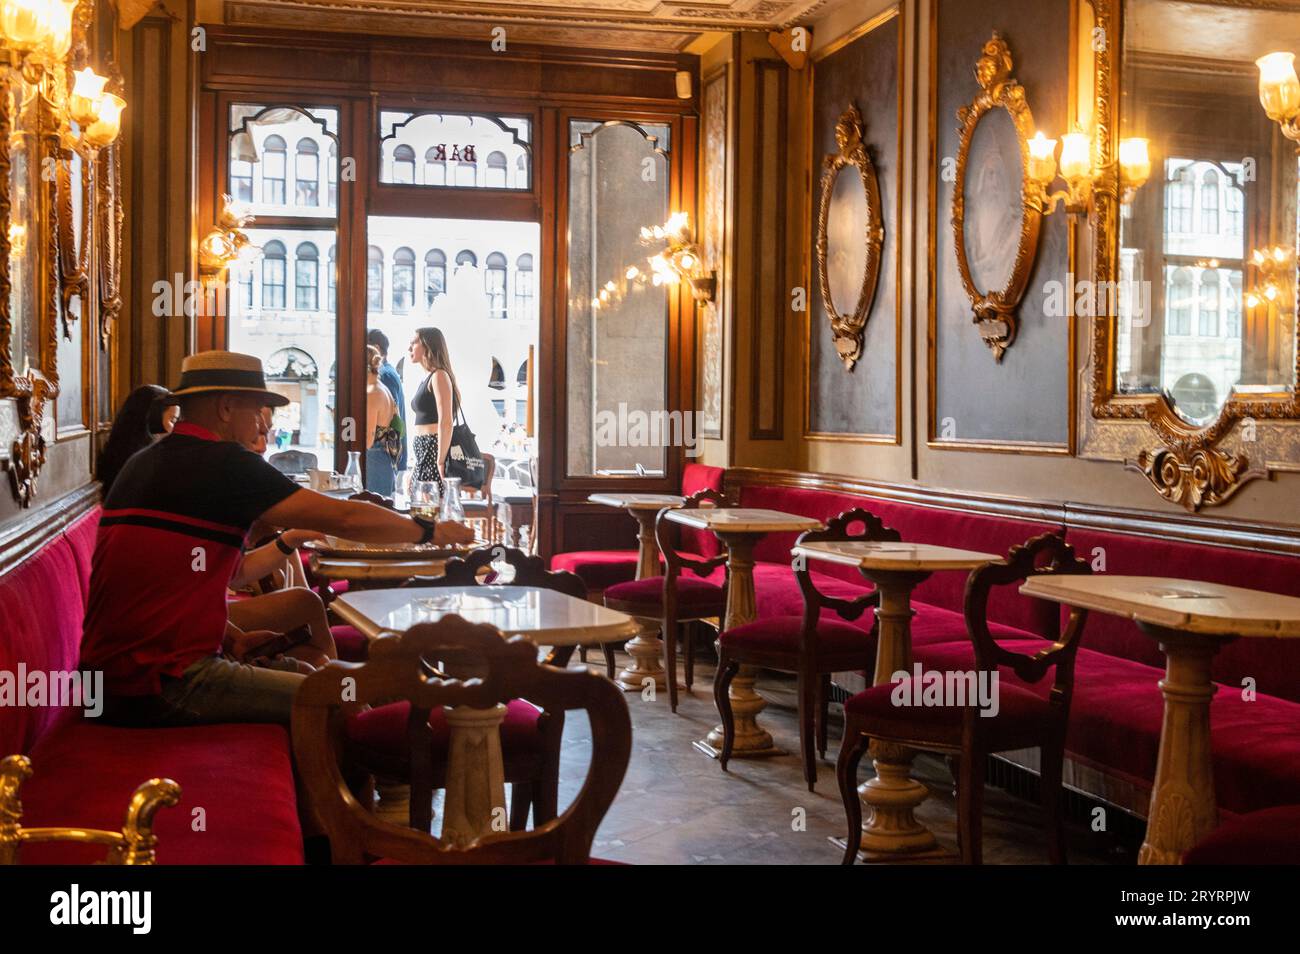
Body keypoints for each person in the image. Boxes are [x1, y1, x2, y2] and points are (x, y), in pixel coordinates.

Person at [80, 350, 472, 728]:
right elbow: (345, 517)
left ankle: (353, 786)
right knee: (341, 695)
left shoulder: (144, 462)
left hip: (106, 682)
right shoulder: (225, 463)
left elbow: (180, 583)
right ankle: (388, 789)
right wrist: (429, 530)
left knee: (310, 671)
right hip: (158, 686)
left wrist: (230, 636)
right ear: (226, 408)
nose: (263, 422)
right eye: (258, 408)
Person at [97, 385, 179, 496]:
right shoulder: (141, 463)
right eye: (172, 420)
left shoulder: (125, 453)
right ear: (153, 418)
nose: (174, 429)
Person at [409, 326, 460, 495]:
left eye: (414, 342)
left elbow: (446, 422)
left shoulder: (439, 376)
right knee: (422, 509)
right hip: (424, 452)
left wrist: (440, 461)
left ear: (427, 345)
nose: (410, 347)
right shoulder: (427, 378)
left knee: (431, 511)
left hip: (433, 451)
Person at [367, 328, 407, 472]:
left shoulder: (383, 377)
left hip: (382, 459)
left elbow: (388, 424)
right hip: (388, 459)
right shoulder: (389, 373)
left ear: (376, 349)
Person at [365, 344, 399, 496]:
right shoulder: (383, 389)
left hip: (374, 459)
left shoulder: (373, 393)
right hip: (384, 460)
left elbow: (367, 441)